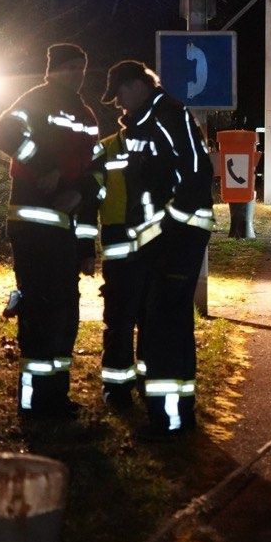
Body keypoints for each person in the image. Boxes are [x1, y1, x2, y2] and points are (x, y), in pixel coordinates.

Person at [102, 60, 214, 439]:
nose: (118, 104)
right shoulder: (145, 121)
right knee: (164, 323)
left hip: (178, 238)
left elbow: (198, 174)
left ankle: (170, 422)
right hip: (160, 241)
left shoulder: (169, 115)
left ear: (137, 85)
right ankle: (174, 416)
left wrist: (168, 224)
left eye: (120, 94)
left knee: (164, 328)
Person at [0, 43, 98, 418]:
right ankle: (34, 403)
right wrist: (45, 167)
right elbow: (3, 134)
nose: (75, 74)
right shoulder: (35, 101)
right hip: (33, 229)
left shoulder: (86, 116)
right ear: (52, 70)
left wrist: (87, 247)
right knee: (39, 314)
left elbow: (94, 178)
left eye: (80, 68)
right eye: (68, 67)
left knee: (65, 315)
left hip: (65, 234)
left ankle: (57, 398)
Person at [76, 128, 149, 410]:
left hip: (152, 245)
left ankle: (146, 384)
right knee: (119, 322)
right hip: (120, 246)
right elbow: (87, 204)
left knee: (151, 322)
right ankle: (117, 389)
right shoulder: (104, 150)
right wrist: (85, 250)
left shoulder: (160, 144)